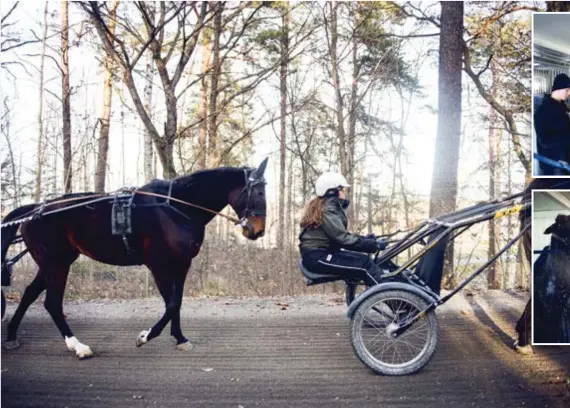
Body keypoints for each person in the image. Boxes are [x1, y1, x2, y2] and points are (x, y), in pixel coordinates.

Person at [298, 172, 387, 286]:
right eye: (341, 189)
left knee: (365, 260)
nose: (344, 192)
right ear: (332, 191)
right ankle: (395, 299)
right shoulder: (327, 210)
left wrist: (366, 240)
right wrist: (373, 245)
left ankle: (393, 297)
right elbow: (342, 238)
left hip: (322, 254)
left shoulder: (327, 207)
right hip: (318, 258)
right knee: (365, 265)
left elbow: (340, 234)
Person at [534, 73, 570, 175]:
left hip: (565, 160)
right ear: (559, 89)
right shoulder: (542, 111)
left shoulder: (562, 107)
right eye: (567, 90)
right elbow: (545, 141)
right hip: (555, 165)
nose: (569, 94)